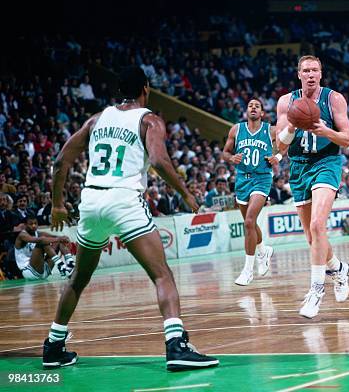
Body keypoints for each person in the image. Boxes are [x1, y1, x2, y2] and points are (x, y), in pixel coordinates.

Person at [42, 67, 218, 370]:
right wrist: (187, 195)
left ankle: (53, 345)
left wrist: (58, 204)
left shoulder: (96, 120)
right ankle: (177, 346)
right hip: (123, 201)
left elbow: (61, 162)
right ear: (146, 89)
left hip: (92, 200)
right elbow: (160, 161)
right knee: (162, 275)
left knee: (78, 279)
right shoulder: (149, 119)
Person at [276, 55, 349, 318]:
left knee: (319, 226)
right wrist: (293, 126)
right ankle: (339, 268)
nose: (310, 74)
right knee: (312, 237)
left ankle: (316, 290)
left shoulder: (334, 99)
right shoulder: (286, 102)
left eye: (315, 70)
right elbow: (280, 146)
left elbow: (347, 139)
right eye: (306, 70)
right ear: (299, 74)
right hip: (298, 166)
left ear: (321, 74)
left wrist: (326, 132)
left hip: (326, 162)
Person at [222, 98, 276, 286]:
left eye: (257, 106)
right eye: (250, 105)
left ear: (262, 112)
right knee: (250, 225)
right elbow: (225, 152)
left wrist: (276, 156)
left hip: (261, 179)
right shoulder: (236, 130)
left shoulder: (270, 130)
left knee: (249, 221)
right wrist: (231, 158)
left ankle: (247, 271)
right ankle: (263, 250)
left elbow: (286, 145)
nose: (253, 107)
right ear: (246, 111)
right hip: (242, 180)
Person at [14, 215, 74, 280]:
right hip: (29, 271)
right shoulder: (22, 235)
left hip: (43, 269)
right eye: (31, 224)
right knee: (43, 242)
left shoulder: (39, 233)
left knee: (58, 241)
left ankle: (70, 264)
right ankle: (61, 266)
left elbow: (56, 237)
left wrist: (64, 238)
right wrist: (59, 238)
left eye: (35, 223)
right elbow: (41, 240)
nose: (34, 226)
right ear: (25, 225)